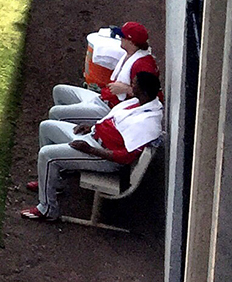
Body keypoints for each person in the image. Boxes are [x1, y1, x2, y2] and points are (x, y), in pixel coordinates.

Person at [23, 69, 164, 221]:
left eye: (134, 84)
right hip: (93, 139)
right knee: (46, 127)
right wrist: (91, 127)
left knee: (47, 155)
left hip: (103, 156)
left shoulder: (148, 122)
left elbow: (124, 157)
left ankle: (48, 209)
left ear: (142, 91)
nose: (131, 85)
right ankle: (55, 184)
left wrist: (90, 150)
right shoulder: (138, 103)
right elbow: (113, 122)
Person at [49, 21, 157, 127]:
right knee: (59, 91)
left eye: (122, 36)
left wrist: (127, 89)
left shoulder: (144, 65)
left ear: (131, 42)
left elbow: (152, 97)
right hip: (102, 98)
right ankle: (68, 126)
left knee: (55, 113)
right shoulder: (131, 54)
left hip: (111, 110)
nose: (120, 38)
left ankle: (70, 135)